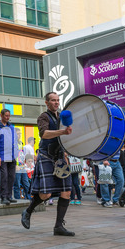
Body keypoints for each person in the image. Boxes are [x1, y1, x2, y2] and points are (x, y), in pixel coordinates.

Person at [21, 92, 74, 236]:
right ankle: (28, 211)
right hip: (46, 156)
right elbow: (44, 134)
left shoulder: (62, 116)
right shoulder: (43, 117)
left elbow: (67, 137)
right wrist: (63, 132)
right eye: (53, 100)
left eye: (57, 100)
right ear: (46, 102)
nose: (56, 103)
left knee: (66, 192)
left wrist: (66, 151)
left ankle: (58, 226)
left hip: (60, 157)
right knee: (45, 194)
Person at [0, 109, 19, 205]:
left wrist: (16, 154)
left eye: (8, 115)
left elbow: (15, 141)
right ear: (1, 115)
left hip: (11, 156)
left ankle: (9, 196)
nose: (7, 117)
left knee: (12, 177)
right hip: (2, 157)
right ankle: (4, 197)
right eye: (6, 115)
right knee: (4, 177)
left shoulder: (11, 127)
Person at [14, 129, 31, 200]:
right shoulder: (13, 144)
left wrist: (24, 163)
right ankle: (17, 199)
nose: (19, 135)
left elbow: (21, 154)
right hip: (17, 167)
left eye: (20, 134)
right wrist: (15, 165)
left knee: (26, 183)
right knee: (17, 184)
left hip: (22, 166)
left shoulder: (21, 143)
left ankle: (29, 198)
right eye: (17, 134)